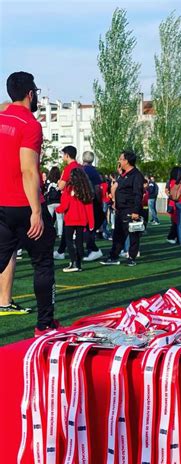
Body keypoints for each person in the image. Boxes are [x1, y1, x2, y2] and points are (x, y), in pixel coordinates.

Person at [0, 71, 57, 334]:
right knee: (43, 263)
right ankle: (44, 325)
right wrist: (36, 210)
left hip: (1, 206)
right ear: (30, 94)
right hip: (23, 205)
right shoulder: (30, 124)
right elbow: (29, 170)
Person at [101, 151, 144, 266]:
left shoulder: (136, 175)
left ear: (127, 161)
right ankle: (113, 256)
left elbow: (138, 194)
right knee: (118, 234)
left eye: (121, 159)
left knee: (133, 234)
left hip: (130, 209)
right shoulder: (124, 175)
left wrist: (135, 211)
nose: (119, 161)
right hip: (120, 209)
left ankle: (132, 257)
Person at [55, 168, 94, 272]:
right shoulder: (85, 190)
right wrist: (91, 222)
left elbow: (65, 205)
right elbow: (89, 207)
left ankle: (73, 262)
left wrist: (57, 210)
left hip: (70, 219)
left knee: (68, 241)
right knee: (79, 242)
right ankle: (79, 263)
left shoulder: (68, 189)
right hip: (81, 219)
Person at [53, 145, 80, 260]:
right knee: (78, 234)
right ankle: (63, 251)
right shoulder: (80, 167)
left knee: (68, 230)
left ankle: (72, 258)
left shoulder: (68, 168)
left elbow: (61, 185)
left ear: (67, 155)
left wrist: (59, 184)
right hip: (80, 202)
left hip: (70, 202)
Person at [81, 151, 104, 262]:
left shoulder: (81, 170)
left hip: (85, 202)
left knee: (86, 227)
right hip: (92, 201)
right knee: (91, 227)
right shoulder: (94, 172)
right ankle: (91, 248)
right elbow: (97, 189)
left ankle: (92, 249)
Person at [44, 166, 63, 238]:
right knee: (60, 219)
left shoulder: (48, 180)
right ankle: (60, 233)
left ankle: (49, 232)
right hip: (58, 201)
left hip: (50, 202)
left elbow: (46, 190)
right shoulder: (60, 180)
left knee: (50, 218)